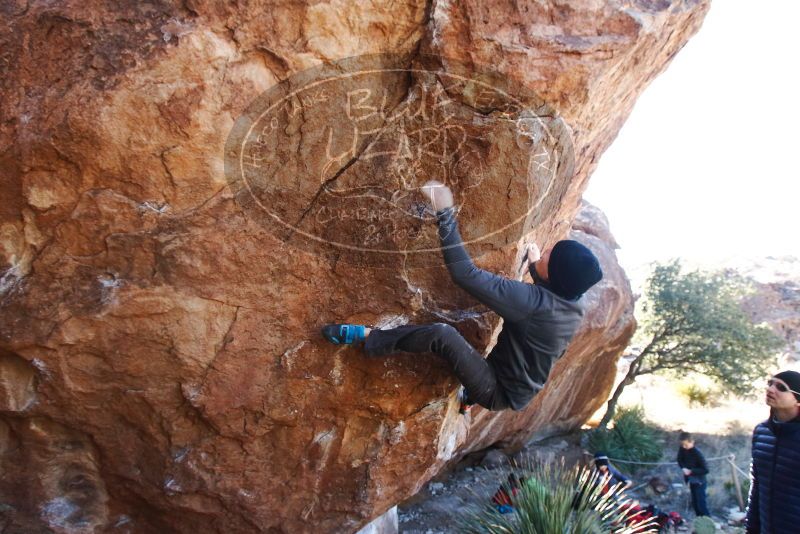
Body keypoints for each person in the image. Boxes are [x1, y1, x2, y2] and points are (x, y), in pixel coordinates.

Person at [322, 180, 602, 412]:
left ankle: (371, 338)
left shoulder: (533, 304)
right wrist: (536, 266)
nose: (547, 249)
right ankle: (467, 399)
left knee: (443, 335)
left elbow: (464, 274)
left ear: (555, 277)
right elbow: (551, 300)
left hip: (497, 390)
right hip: (522, 384)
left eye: (551, 255)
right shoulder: (573, 303)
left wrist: (444, 213)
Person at [746, 370, 800, 534]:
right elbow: (756, 486)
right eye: (770, 383)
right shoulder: (761, 432)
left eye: (781, 387)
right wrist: (751, 528)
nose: (770, 389)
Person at [676, 431, 710, 517]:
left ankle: (708, 522)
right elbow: (680, 460)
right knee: (695, 504)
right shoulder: (682, 449)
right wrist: (683, 468)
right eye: (682, 445)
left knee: (701, 504)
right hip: (691, 481)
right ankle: (699, 522)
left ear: (692, 442)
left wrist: (691, 471)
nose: (684, 447)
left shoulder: (697, 453)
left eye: (686, 445)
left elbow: (706, 469)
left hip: (700, 481)